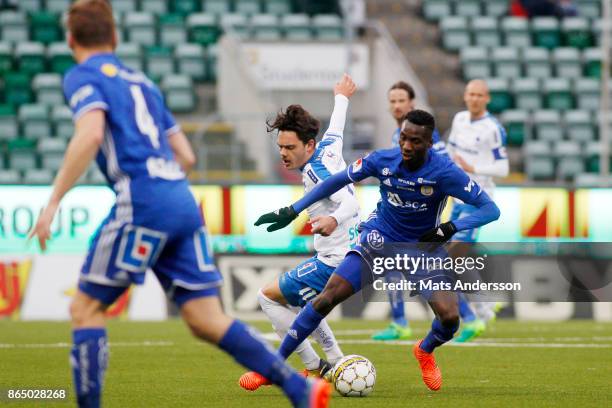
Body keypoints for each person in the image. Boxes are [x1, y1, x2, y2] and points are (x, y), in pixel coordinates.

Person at [26, 2, 330, 407]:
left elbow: (90, 133)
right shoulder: (143, 83)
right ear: (114, 38)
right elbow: (185, 155)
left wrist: (53, 202)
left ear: (70, 40)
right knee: (207, 319)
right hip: (182, 201)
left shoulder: (82, 76)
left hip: (141, 199)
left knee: (85, 309)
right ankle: (300, 390)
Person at [254, 109, 501, 391]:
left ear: (429, 143)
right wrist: (293, 209)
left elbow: (490, 209)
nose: (407, 146)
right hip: (379, 238)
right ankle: (273, 366)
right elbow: (338, 180)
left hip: (421, 248)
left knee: (449, 319)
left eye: (415, 142)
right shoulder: (383, 159)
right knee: (326, 299)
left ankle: (425, 350)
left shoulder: (444, 172)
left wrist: (451, 227)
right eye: (404, 139)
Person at [239, 74, 359, 390]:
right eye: (280, 146)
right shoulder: (329, 148)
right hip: (350, 254)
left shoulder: (317, 171)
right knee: (306, 306)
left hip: (335, 258)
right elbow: (337, 126)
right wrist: (341, 97)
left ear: (308, 145)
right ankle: (334, 361)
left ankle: (314, 366)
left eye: (289, 147)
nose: (283, 153)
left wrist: (333, 220)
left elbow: (349, 203)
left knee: (266, 297)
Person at [371, 81, 446, 342]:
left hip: (423, 214)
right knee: (390, 262)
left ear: (411, 103)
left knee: (428, 276)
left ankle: (463, 317)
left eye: (401, 100)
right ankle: (399, 321)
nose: (396, 105)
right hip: (401, 214)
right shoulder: (397, 135)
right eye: (392, 101)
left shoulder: (425, 134)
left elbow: (442, 165)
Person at [446, 79, 509, 343]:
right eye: (470, 94)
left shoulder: (493, 129)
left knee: (453, 255)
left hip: (478, 199)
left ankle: (476, 316)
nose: (473, 99)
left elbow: (503, 168)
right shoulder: (460, 119)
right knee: (453, 260)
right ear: (465, 96)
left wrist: (474, 169)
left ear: (487, 99)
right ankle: (483, 307)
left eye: (479, 95)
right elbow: (450, 152)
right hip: (459, 198)